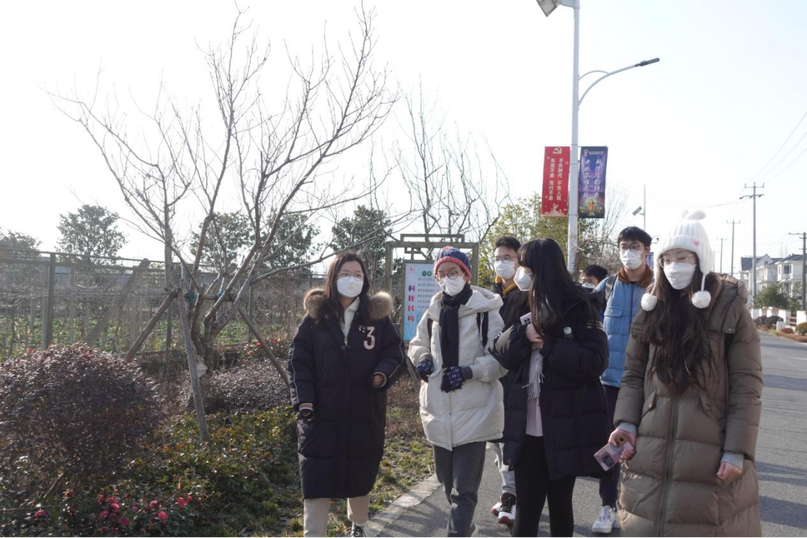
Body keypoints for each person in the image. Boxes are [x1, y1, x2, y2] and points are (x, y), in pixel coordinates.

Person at [610, 210, 763, 537]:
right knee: (645, 524)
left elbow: (747, 386)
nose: (673, 266)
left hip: (710, 451)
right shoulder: (651, 306)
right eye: (666, 259)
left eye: (682, 257)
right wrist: (626, 423)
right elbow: (633, 374)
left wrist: (736, 449)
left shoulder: (731, 309)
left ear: (701, 259)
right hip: (650, 447)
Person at [491, 238, 610, 538]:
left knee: (560, 504)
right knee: (527, 507)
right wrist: (523, 334)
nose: (520, 272)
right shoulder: (521, 300)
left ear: (542, 269)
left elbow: (595, 361)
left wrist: (549, 344)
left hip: (565, 425)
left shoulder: (580, 306)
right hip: (525, 426)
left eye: (525, 266)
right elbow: (500, 350)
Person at [288, 252, 405, 538]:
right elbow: (299, 362)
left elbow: (395, 353)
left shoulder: (377, 319)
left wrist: (382, 374)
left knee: (359, 474)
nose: (351, 279)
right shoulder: (315, 318)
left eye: (357, 275)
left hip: (363, 412)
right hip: (319, 415)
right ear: (332, 277)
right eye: (344, 274)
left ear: (365, 280)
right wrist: (304, 400)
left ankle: (358, 525)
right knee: (315, 481)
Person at [408, 246, 506, 537]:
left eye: (454, 272)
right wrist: (422, 359)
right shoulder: (433, 311)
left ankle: (458, 532)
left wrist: (469, 372)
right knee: (447, 484)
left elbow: (501, 360)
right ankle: (466, 527)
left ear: (466, 274)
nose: (448, 278)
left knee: (464, 490)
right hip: (438, 410)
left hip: (475, 411)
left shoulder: (487, 313)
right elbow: (417, 343)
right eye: (442, 274)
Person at [590, 226, 654, 534]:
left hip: (649, 385)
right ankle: (607, 506)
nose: (629, 252)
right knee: (612, 446)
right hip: (611, 381)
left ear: (646, 251)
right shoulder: (608, 286)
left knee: (649, 448)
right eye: (624, 246)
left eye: (635, 246)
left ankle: (644, 508)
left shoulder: (659, 287)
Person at [489, 236, 528, 526]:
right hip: (490, 374)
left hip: (517, 375)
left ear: (519, 261)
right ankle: (510, 491)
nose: (502, 263)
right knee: (496, 438)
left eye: (508, 257)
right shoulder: (488, 295)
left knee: (511, 438)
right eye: (498, 257)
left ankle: (510, 495)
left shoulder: (527, 295)